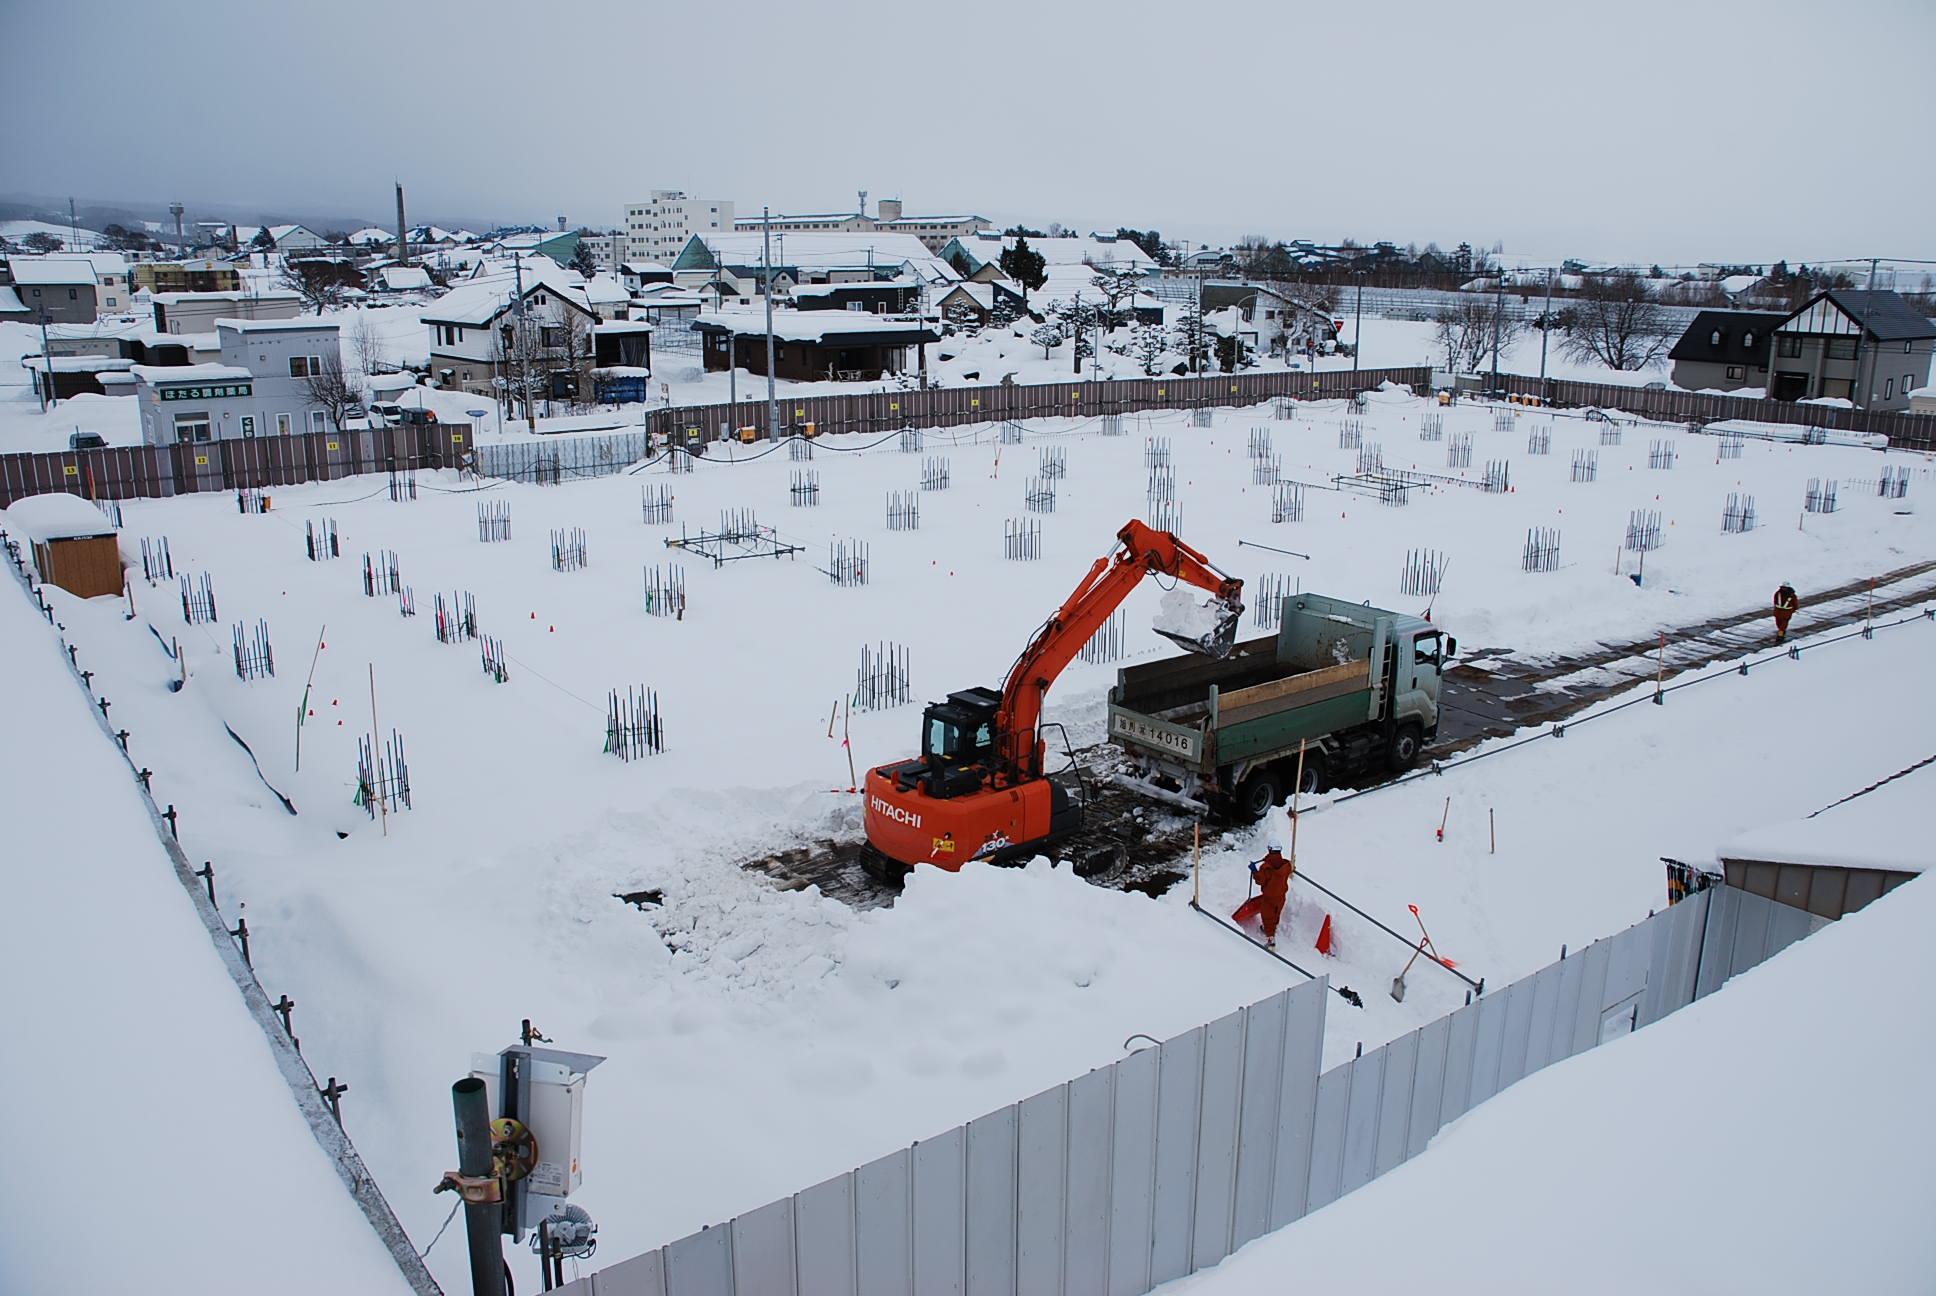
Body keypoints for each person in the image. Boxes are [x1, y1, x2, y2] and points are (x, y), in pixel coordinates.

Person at [1245, 842, 1295, 951]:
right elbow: (1289, 871)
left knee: (1267, 916)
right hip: (1281, 896)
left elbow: (1260, 880)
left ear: (1269, 850)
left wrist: (1254, 871)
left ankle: (1271, 941)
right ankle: (1271, 928)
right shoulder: (1287, 865)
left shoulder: (1266, 867)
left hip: (1269, 897)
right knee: (1276, 913)